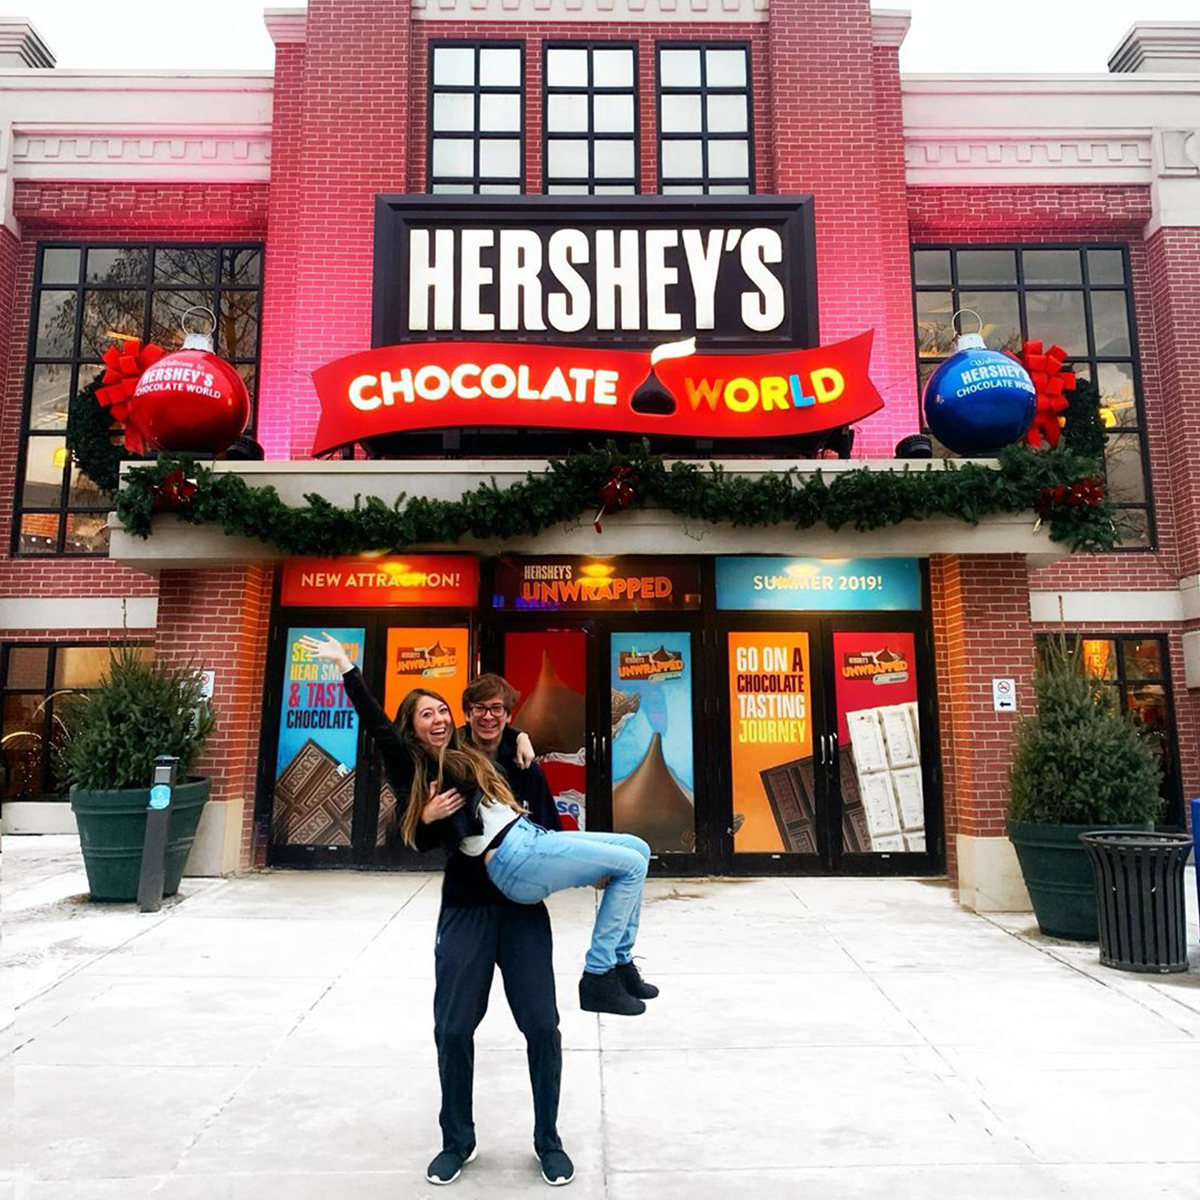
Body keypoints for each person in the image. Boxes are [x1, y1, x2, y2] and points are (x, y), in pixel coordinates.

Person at [297, 636, 655, 1186]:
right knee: (454, 1028)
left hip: (522, 908)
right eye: (440, 712)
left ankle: (548, 1141)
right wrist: (348, 669)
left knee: (543, 1026)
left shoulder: (510, 751)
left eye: (446, 710)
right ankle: (457, 1140)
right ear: (443, 722)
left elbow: (544, 828)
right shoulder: (423, 762)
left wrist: (582, 868)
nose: (449, 719)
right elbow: (391, 773)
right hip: (467, 908)